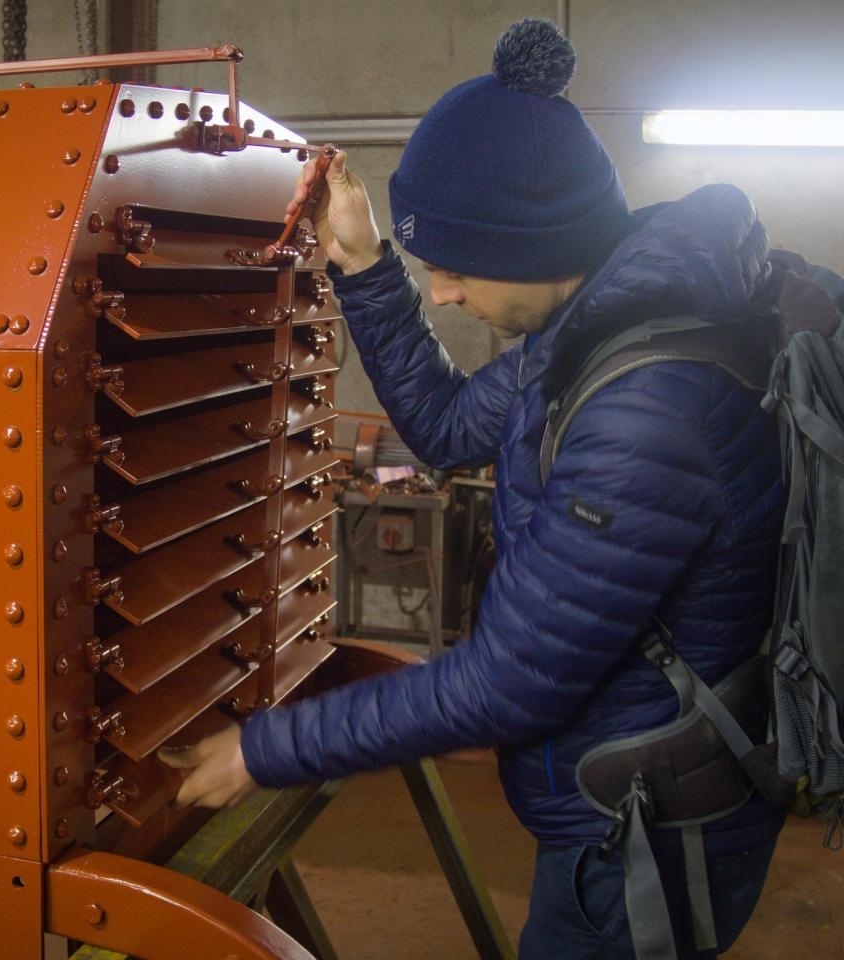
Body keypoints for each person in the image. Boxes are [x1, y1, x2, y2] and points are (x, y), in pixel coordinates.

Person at [159, 17, 785, 959]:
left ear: (537, 245)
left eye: (452, 268)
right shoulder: (595, 324)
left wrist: (263, 749)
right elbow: (450, 430)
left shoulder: (648, 406)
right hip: (613, 787)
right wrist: (368, 269)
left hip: (642, 832)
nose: (442, 293)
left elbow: (508, 684)